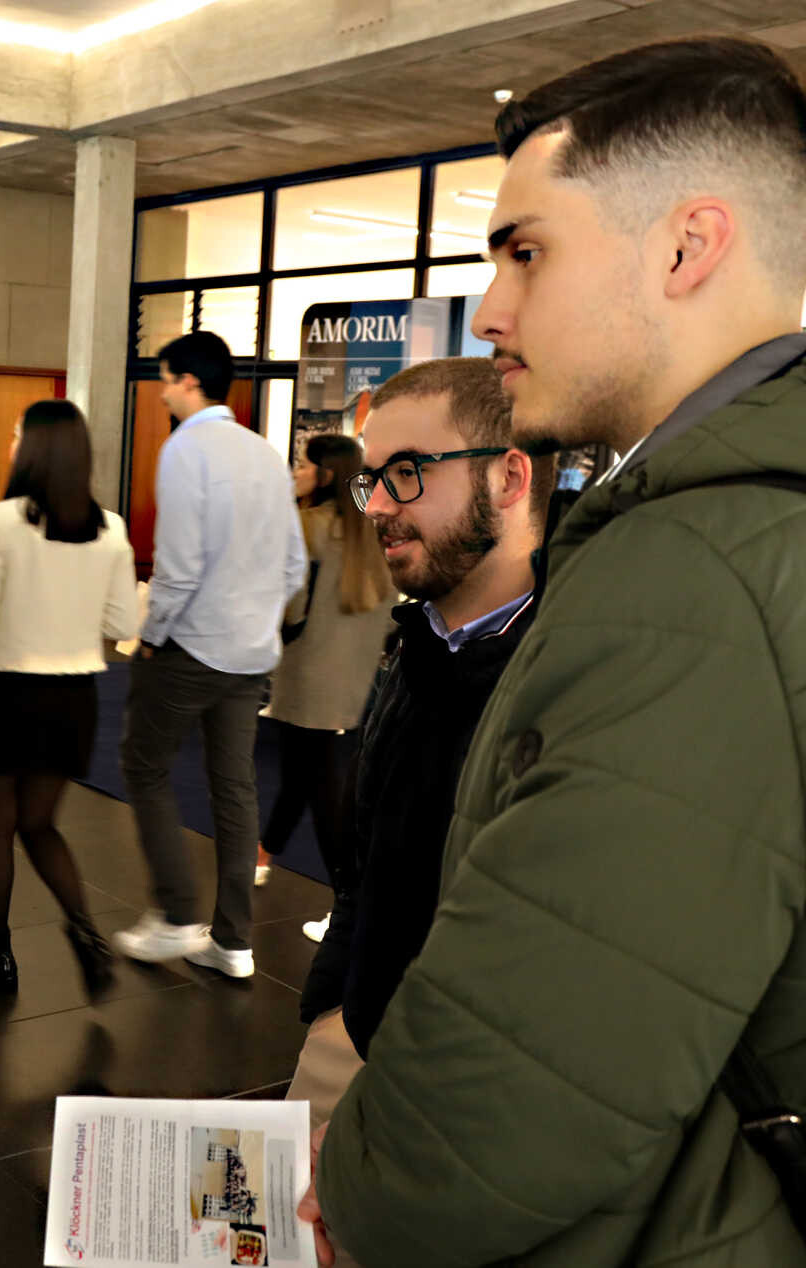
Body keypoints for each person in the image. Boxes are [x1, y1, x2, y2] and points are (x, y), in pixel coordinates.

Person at [302, 37, 806, 1267]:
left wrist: (363, 1191)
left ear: (686, 246)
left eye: (526, 251)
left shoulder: (699, 571)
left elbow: (514, 1088)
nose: (493, 308)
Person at [286, 358, 549, 1131]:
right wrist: (331, 996)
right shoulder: (421, 644)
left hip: (473, 1094)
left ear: (508, 479)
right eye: (372, 479)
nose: (379, 508)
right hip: (359, 1032)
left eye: (408, 473)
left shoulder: (570, 668)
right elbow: (367, 857)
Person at [0, 400, 139, 994]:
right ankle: (86, 933)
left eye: (17, 434)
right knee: (40, 825)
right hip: (74, 701)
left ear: (33, 448)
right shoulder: (112, 528)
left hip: (4, 694)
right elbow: (119, 619)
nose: (12, 443)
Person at [114, 331, 306, 980]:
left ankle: (174, 915)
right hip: (253, 652)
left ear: (191, 382)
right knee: (235, 785)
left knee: (143, 765)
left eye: (166, 379)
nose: (163, 392)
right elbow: (294, 566)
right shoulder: (266, 455)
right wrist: (255, 617)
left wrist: (152, 633)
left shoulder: (185, 447)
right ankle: (233, 942)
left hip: (192, 644)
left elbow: (180, 564)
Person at [252, 434, 394, 894]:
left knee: (319, 786)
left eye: (302, 465)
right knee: (303, 774)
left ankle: (346, 898)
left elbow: (286, 604)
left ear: (325, 474)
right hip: (352, 677)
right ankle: (263, 854)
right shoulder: (375, 532)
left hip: (306, 671)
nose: (294, 472)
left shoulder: (305, 526)